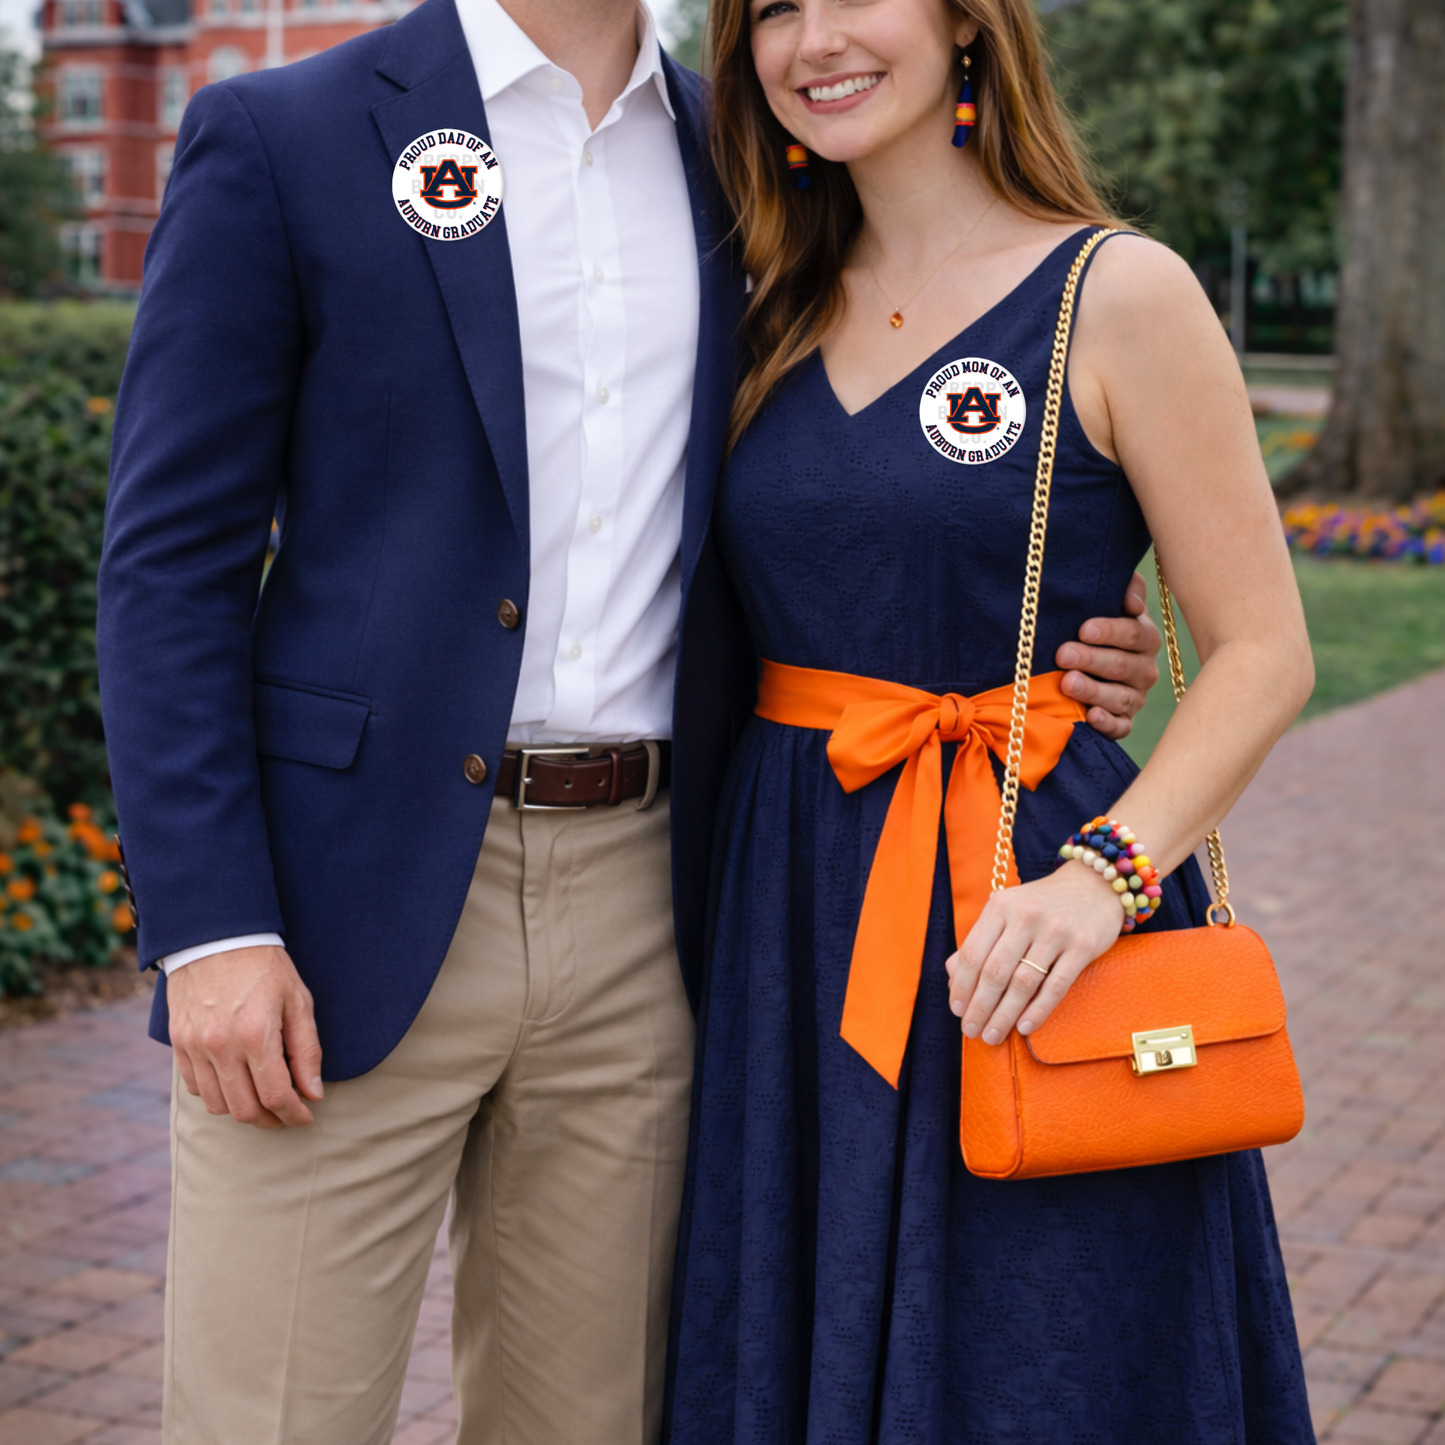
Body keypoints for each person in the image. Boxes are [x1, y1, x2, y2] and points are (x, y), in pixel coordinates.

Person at [97, 0, 1164, 1439]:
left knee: (590, 1419)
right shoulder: (287, 135)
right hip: (338, 904)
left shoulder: (763, 169)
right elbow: (170, 568)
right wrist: (213, 928)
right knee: (265, 1418)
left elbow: (853, 477)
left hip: (659, 911)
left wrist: (1043, 644)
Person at [664, 0, 1317, 1440]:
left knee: (1053, 1358)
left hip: (1031, 911)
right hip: (796, 913)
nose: (814, 38)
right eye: (773, 9)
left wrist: (1107, 880)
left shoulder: (1117, 291)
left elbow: (1266, 651)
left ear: (969, 22)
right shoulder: (757, 297)